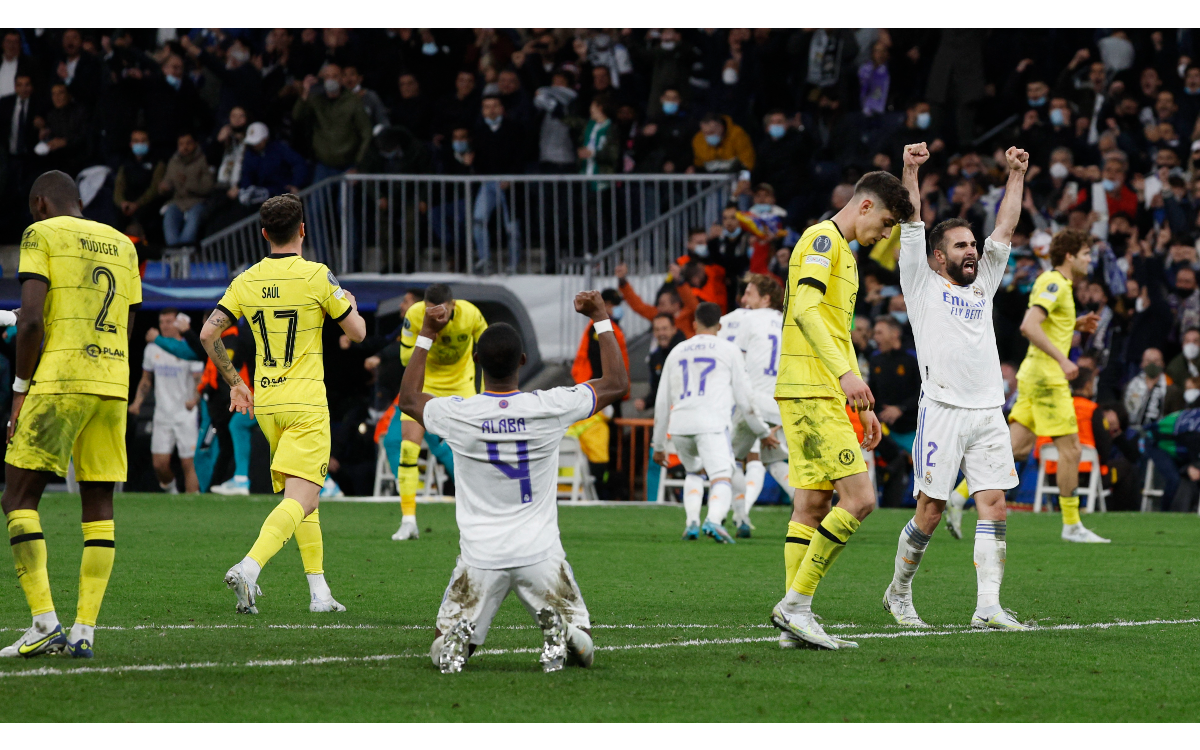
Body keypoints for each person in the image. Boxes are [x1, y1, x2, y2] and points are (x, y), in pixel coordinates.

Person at [400, 291, 628, 674]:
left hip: (480, 558)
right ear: (523, 361)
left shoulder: (459, 413)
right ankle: (567, 634)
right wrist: (600, 317)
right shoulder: (549, 406)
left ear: (476, 359)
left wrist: (425, 333)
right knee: (585, 646)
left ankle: (455, 642)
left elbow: (408, 399)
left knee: (440, 648)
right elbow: (617, 384)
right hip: (540, 553)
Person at [881, 142, 1029, 631]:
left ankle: (987, 606)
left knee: (995, 503)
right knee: (930, 509)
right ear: (939, 257)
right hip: (943, 407)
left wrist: (1015, 174)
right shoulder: (921, 282)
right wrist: (910, 169)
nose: (973, 251)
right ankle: (898, 594)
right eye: (963, 246)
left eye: (973, 244)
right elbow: (911, 223)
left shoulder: (985, 280)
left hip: (989, 409)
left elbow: (1005, 227)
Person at [202, 194, 366, 615]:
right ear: (303, 230)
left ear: (263, 234)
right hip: (306, 402)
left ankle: (319, 592)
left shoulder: (246, 280)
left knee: (303, 494)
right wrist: (347, 299)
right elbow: (359, 333)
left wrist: (237, 384)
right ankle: (250, 567)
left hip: (268, 403)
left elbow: (208, 335)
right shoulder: (316, 275)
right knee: (304, 497)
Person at [1, 171, 142, 659]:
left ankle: (43, 622)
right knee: (98, 506)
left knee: (17, 496)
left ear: (39, 202)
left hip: (62, 378)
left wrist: (20, 390)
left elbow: (33, 320)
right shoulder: (124, 244)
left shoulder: (40, 234)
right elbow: (128, 322)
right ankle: (84, 630)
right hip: (113, 382)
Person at [770, 170, 904, 651]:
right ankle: (797, 606)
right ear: (864, 206)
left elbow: (837, 330)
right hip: (811, 386)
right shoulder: (822, 241)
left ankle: (794, 623)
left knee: (810, 506)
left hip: (818, 388)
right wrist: (847, 378)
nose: (884, 234)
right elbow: (803, 309)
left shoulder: (843, 252)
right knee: (861, 499)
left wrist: (857, 399)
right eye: (886, 222)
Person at [1009, 228, 1108, 544]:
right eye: (1086, 254)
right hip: (1048, 377)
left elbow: (1046, 323)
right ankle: (1071, 525)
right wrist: (1064, 361)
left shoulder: (1058, 283)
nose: (1090, 259)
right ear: (1070, 255)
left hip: (1035, 374)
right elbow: (1029, 325)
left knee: (1015, 449)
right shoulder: (1056, 283)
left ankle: (955, 499)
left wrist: (1074, 324)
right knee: (1072, 450)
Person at [652, 302, 769, 543]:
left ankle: (692, 521)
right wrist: (762, 430)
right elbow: (745, 400)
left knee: (694, 472)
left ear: (694, 324)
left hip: (680, 425)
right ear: (720, 325)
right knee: (721, 477)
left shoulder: (677, 351)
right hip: (711, 424)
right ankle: (714, 520)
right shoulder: (729, 350)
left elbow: (662, 402)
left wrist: (659, 445)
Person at [390, 284, 487, 541]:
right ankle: (408, 520)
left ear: (453, 305)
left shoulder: (470, 314)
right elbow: (403, 360)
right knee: (409, 449)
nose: (437, 317)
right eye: (430, 311)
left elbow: (491, 349)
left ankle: (481, 519)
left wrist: (487, 394)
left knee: (475, 453)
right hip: (426, 385)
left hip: (461, 386)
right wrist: (426, 333)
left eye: (442, 312)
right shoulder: (415, 316)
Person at [726, 275, 790, 537]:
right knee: (776, 460)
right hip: (781, 403)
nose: (744, 299)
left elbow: (737, 364)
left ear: (765, 298)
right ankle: (812, 510)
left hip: (752, 402)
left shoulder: (748, 319)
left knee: (729, 460)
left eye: (749, 293)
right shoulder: (788, 322)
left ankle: (739, 517)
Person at [128, 309, 204, 494]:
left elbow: (198, 379)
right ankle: (172, 493)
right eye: (161, 322)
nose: (164, 326)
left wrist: (195, 399)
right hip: (162, 414)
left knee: (188, 462)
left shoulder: (189, 348)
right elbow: (146, 380)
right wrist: (137, 402)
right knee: (159, 464)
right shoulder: (153, 349)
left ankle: (193, 502)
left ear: (179, 323)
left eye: (169, 321)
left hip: (185, 414)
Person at [614, 261, 699, 338]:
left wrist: (680, 281)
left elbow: (692, 303)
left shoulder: (689, 315)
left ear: (676, 305)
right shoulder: (658, 315)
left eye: (663, 304)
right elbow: (638, 305)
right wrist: (623, 282)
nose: (659, 308)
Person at [159, 132, 213, 247]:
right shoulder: (173, 162)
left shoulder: (203, 160)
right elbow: (167, 180)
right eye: (181, 144)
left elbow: (208, 187)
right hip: (177, 202)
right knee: (169, 215)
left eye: (188, 143)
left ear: (195, 144)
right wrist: (164, 188)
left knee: (194, 217)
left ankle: (185, 249)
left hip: (197, 202)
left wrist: (188, 183)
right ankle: (174, 250)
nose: (185, 147)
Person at [636, 313, 684, 412]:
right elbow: (656, 390)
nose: (661, 333)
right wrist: (645, 402)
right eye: (657, 330)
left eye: (664, 329)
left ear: (674, 329)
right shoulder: (654, 358)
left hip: (684, 410)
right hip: (666, 412)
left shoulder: (685, 353)